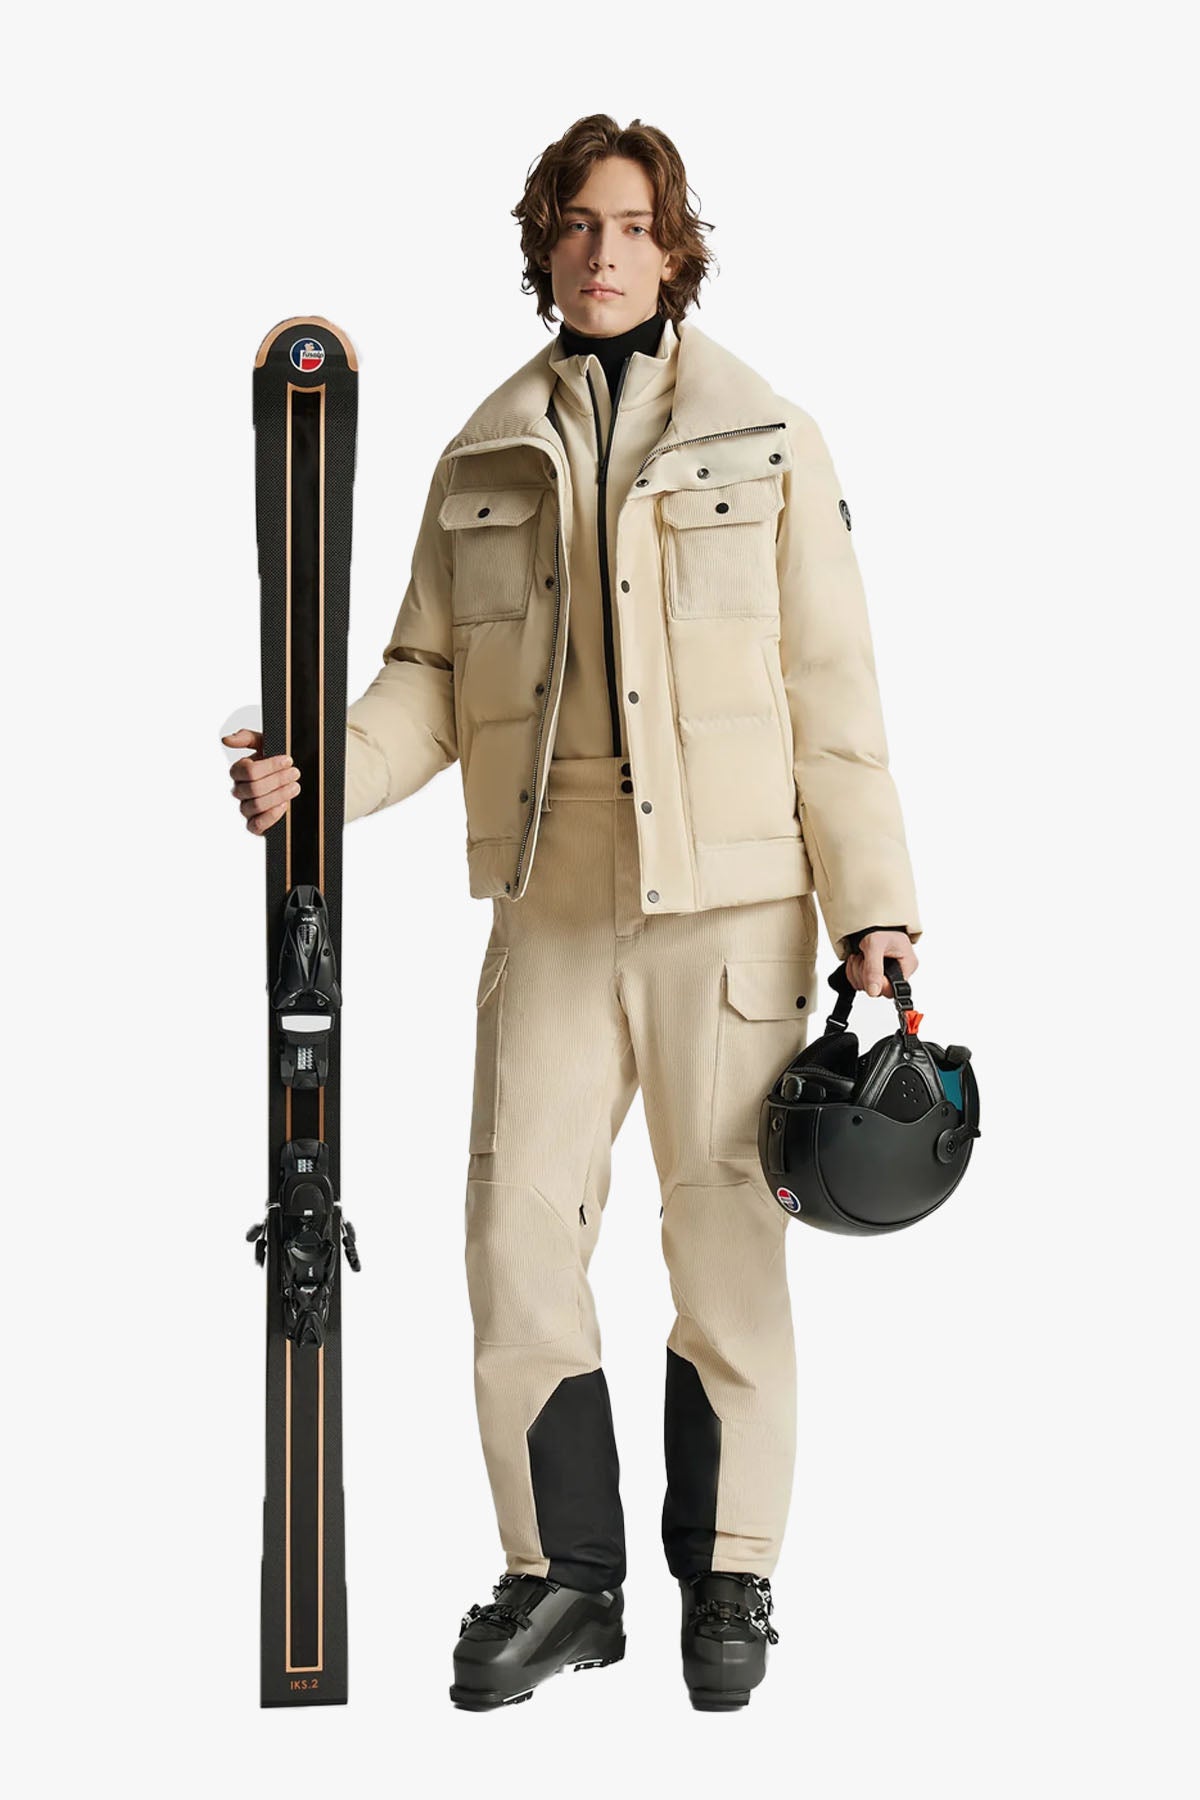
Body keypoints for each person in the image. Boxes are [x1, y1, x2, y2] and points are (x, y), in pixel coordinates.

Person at [223, 113, 921, 1713]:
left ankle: (729, 1575)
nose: (604, 253)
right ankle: (563, 1579)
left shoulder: (769, 438)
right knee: (513, 1234)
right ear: (544, 246)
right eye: (577, 225)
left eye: (633, 226)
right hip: (549, 896)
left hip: (734, 908)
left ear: (677, 251)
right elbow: (423, 683)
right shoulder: (482, 452)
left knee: (724, 1240)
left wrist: (875, 906)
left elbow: (834, 692)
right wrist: (316, 773)